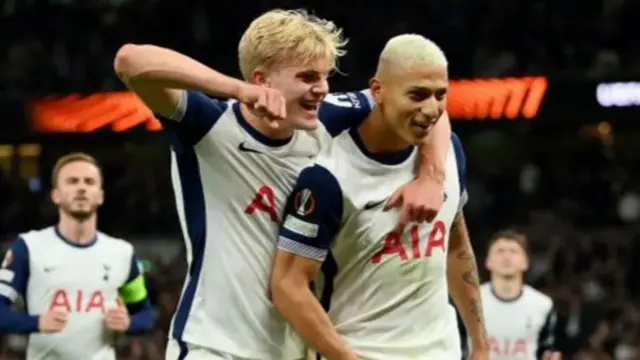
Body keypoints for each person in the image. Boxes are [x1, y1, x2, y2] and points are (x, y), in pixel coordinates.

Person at [114, 9, 454, 360]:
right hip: (214, 346)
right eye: (307, 77)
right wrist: (238, 90)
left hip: (291, 351)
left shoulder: (329, 117)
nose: (321, 89)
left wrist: (432, 175)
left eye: (324, 76)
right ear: (262, 79)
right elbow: (130, 61)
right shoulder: (209, 127)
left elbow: (426, 104)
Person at [270, 34, 488, 360]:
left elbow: (455, 246)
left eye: (440, 95)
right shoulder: (328, 177)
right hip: (360, 350)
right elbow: (287, 285)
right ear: (377, 91)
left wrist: (480, 343)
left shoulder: (448, 153)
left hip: (442, 351)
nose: (431, 109)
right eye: (417, 95)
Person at [0, 152, 154, 360]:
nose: (81, 187)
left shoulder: (122, 253)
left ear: (100, 195)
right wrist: (35, 323)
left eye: (89, 182)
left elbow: (145, 315)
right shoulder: (28, 247)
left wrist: (129, 323)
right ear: (56, 195)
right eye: (72, 181)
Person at [477, 230, 561, 360]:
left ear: (526, 262)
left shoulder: (543, 305)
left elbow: (549, 348)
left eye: (513, 251)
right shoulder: (470, 301)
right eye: (500, 251)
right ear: (488, 261)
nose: (506, 257)